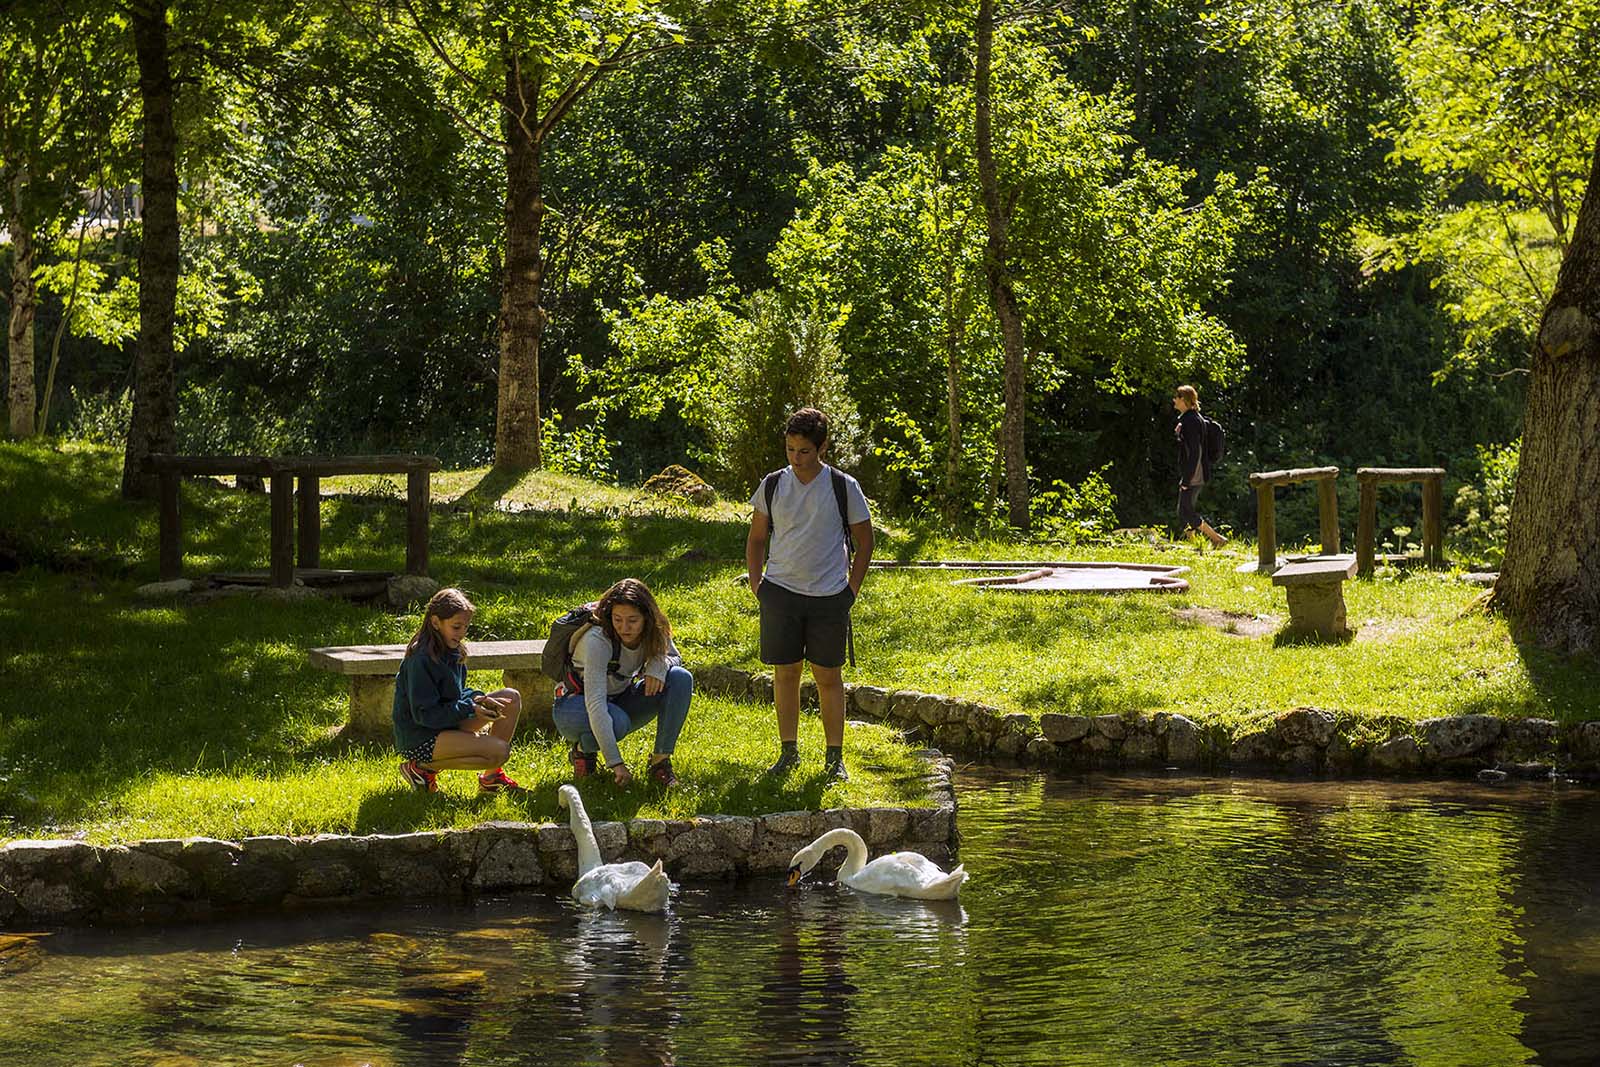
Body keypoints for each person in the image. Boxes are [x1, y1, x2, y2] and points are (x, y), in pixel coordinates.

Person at [746, 407, 873, 781]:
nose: (796, 458)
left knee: (828, 678)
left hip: (830, 595)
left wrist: (851, 590)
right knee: (785, 675)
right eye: (790, 450)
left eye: (804, 451)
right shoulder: (772, 484)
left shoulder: (842, 486)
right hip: (780, 592)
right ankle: (788, 753)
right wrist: (758, 586)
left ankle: (835, 760)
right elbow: (756, 539)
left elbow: (865, 542)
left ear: (822, 447)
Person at [553, 578, 693, 788]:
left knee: (680, 678)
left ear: (647, 617)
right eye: (618, 619)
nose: (624, 627)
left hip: (619, 698)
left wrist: (657, 666)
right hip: (574, 706)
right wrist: (616, 763)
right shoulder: (597, 640)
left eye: (632, 620)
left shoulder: (655, 629)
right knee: (616, 722)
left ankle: (660, 762)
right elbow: (596, 705)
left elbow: (674, 656)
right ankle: (584, 751)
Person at [394, 587, 523, 793]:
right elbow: (425, 715)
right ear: (436, 623)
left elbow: (455, 694)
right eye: (456, 627)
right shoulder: (421, 659)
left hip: (445, 723)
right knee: (500, 751)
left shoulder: (452, 649)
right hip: (422, 736)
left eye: (466, 627)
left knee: (510, 698)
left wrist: (477, 699)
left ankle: (491, 779)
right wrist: (469, 708)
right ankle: (421, 768)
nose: (462, 633)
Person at [1173, 384, 1227, 548]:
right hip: (1196, 470)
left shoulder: (1191, 421)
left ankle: (1217, 539)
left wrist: (1187, 479)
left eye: (1176, 396)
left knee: (1186, 510)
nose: (1174, 400)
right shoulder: (1191, 418)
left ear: (1184, 399)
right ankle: (1194, 544)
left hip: (1195, 472)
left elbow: (1195, 451)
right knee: (1184, 510)